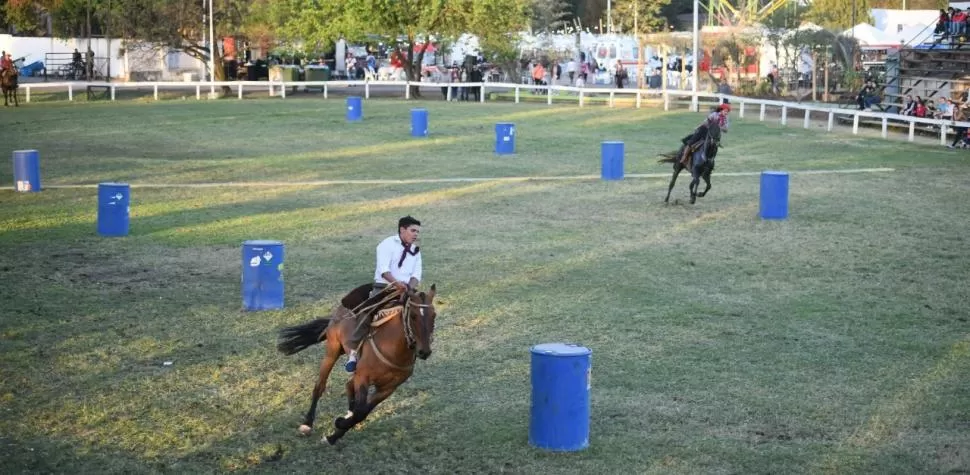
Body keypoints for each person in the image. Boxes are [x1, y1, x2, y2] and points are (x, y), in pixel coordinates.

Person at [345, 215, 423, 372]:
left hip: (407, 289)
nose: (416, 235)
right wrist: (396, 284)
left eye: (417, 232)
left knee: (423, 313)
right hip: (385, 287)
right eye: (413, 231)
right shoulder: (386, 245)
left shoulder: (415, 250)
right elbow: (383, 270)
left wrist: (408, 287)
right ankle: (353, 353)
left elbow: (417, 274)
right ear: (402, 229)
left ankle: (418, 346)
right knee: (367, 311)